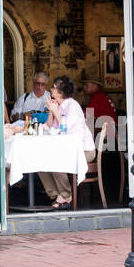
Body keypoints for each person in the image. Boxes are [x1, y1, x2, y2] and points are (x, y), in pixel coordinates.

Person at [38, 76, 95, 209]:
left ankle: (66, 195)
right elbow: (48, 127)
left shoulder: (72, 106)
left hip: (84, 151)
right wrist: (52, 111)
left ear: (60, 92)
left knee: (57, 160)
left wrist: (55, 110)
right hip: (65, 149)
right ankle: (55, 195)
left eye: (53, 88)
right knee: (40, 160)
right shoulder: (57, 105)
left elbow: (66, 129)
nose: (51, 90)